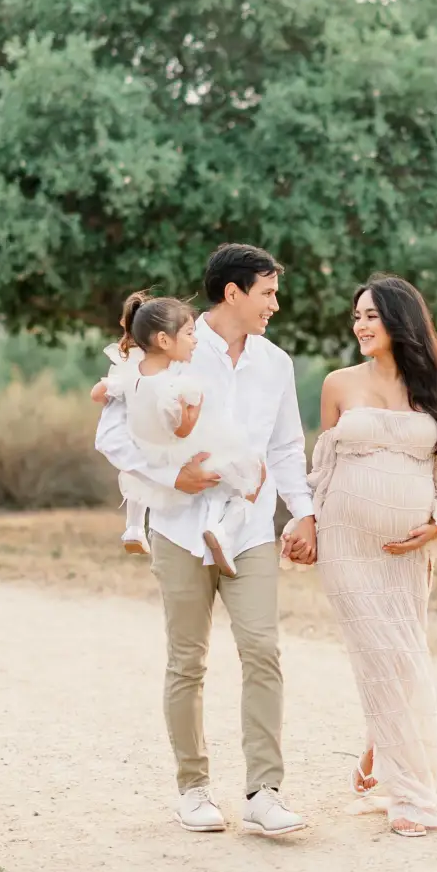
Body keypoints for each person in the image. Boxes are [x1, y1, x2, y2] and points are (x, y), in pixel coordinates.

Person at [94, 244, 317, 837]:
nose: (276, 303)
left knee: (262, 650)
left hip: (249, 529)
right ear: (234, 293)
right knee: (187, 661)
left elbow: (287, 447)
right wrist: (174, 477)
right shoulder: (174, 348)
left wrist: (305, 513)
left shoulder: (277, 363)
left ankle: (264, 791)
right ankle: (192, 789)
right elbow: (111, 432)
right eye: (268, 291)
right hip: (178, 528)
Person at [311, 276, 437, 837]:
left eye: (371, 316)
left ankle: (380, 750)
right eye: (356, 315)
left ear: (400, 321)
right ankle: (410, 796)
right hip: (347, 544)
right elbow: (323, 467)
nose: (360, 325)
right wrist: (307, 521)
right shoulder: (338, 384)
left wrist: (436, 527)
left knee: (403, 656)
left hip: (407, 553)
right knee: (379, 653)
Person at [92, 291, 265, 576]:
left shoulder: (130, 373)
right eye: (189, 333)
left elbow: (98, 393)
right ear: (164, 340)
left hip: (148, 448)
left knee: (136, 482)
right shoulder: (173, 385)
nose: (195, 340)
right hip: (179, 454)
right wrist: (194, 411)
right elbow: (182, 430)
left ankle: (134, 527)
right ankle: (224, 529)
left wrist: (112, 390)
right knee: (254, 470)